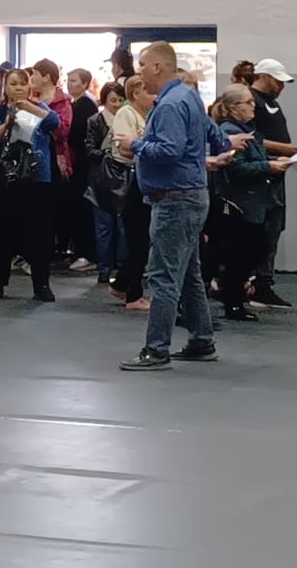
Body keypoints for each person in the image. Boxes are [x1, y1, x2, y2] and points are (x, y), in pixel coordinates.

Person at [115, 42, 238, 370]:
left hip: (174, 200)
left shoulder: (169, 105)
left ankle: (156, 349)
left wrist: (136, 144)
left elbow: (169, 151)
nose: (139, 71)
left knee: (163, 277)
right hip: (191, 195)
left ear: (158, 67)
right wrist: (219, 151)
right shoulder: (189, 96)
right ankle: (201, 340)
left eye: (143, 65)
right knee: (189, 274)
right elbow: (214, 136)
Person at [211, 84, 289, 322]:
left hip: (253, 201)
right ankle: (232, 300)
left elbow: (255, 158)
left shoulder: (247, 129)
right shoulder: (230, 132)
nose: (253, 106)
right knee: (242, 253)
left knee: (252, 250)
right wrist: (269, 166)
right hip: (240, 202)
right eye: (248, 102)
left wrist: (277, 160)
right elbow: (236, 168)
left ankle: (232, 295)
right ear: (233, 107)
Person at [0, 69, 61, 301]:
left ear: (29, 87)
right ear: (5, 88)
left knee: (40, 235)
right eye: (13, 84)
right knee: (3, 233)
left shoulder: (40, 108)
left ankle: (41, 285)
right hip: (7, 182)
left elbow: (54, 122)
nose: (18, 88)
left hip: (38, 180)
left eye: (22, 84)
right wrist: (7, 123)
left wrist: (28, 107)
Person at [243, 58, 297, 310]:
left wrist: (292, 155)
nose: (281, 87)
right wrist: (287, 150)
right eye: (278, 81)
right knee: (261, 231)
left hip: (276, 174)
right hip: (261, 177)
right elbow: (251, 138)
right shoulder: (251, 102)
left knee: (273, 229)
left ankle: (263, 282)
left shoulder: (272, 104)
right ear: (264, 77)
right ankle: (254, 284)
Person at [110, 75, 154, 309]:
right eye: (149, 91)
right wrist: (144, 145)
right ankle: (133, 294)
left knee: (143, 239)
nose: (154, 96)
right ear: (136, 94)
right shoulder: (126, 114)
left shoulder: (146, 116)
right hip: (129, 179)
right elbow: (124, 148)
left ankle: (121, 283)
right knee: (138, 239)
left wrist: (140, 143)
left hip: (143, 179)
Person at [86, 82, 129, 286]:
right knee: (104, 226)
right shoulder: (95, 120)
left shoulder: (127, 119)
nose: (117, 104)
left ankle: (120, 268)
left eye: (120, 100)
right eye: (113, 100)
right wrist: (108, 153)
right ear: (105, 100)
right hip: (102, 179)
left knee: (122, 227)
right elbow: (89, 149)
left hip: (123, 178)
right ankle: (104, 268)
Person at [60, 68, 99, 271]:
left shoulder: (85, 105)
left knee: (82, 209)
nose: (70, 84)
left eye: (74, 80)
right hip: (75, 164)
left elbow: (76, 133)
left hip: (82, 165)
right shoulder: (74, 103)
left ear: (85, 84)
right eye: (68, 80)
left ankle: (87, 253)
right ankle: (77, 250)